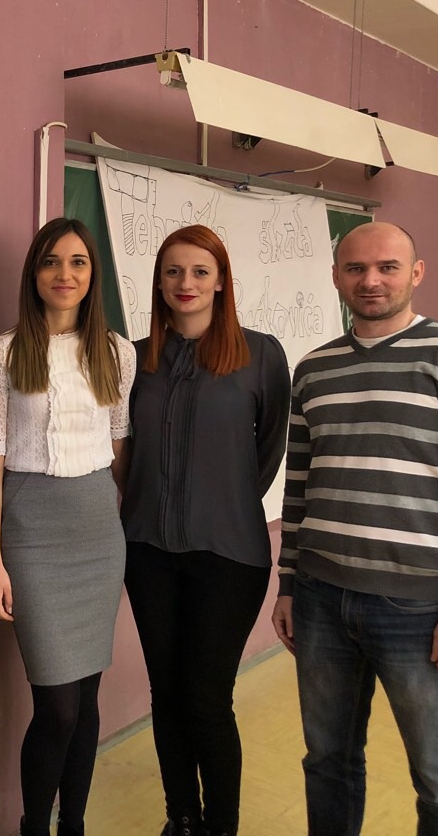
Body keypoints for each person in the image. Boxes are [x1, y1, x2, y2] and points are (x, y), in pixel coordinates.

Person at [271, 221, 438, 836]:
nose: (371, 280)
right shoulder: (313, 369)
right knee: (327, 762)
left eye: (387, 267)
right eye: (356, 268)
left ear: (416, 273)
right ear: (336, 277)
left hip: (420, 610)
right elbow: (299, 484)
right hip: (322, 600)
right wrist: (290, 584)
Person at [119, 224, 290, 836]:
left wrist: (223, 500)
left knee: (207, 698)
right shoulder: (133, 358)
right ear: (158, 282)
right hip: (147, 551)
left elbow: (268, 450)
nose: (184, 283)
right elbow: (125, 451)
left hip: (230, 554)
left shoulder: (261, 354)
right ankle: (182, 818)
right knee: (166, 693)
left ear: (221, 280)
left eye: (199, 271)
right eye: (172, 271)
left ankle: (221, 826)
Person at [0, 217, 135, 836]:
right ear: (33, 273)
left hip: (98, 531)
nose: (64, 274)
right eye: (50, 262)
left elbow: (119, 449)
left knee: (87, 698)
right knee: (58, 706)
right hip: (31, 531)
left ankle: (75, 823)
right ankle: (34, 827)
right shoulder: (2, 353)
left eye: (77, 262)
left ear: (93, 275)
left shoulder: (116, 352)